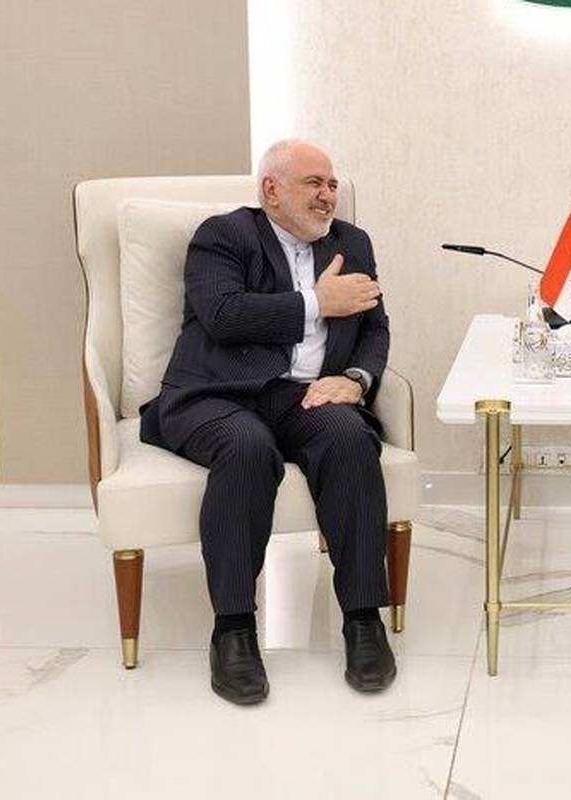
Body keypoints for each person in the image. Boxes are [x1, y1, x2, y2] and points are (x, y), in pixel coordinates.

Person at [140, 139, 395, 704]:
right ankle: (233, 630)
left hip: (305, 395)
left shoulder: (353, 243)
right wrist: (316, 303)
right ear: (271, 190)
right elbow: (223, 315)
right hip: (218, 393)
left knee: (350, 438)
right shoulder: (223, 236)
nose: (328, 195)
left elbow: (375, 328)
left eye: (332, 184)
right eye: (314, 183)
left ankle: (363, 620)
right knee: (246, 448)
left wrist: (355, 379)